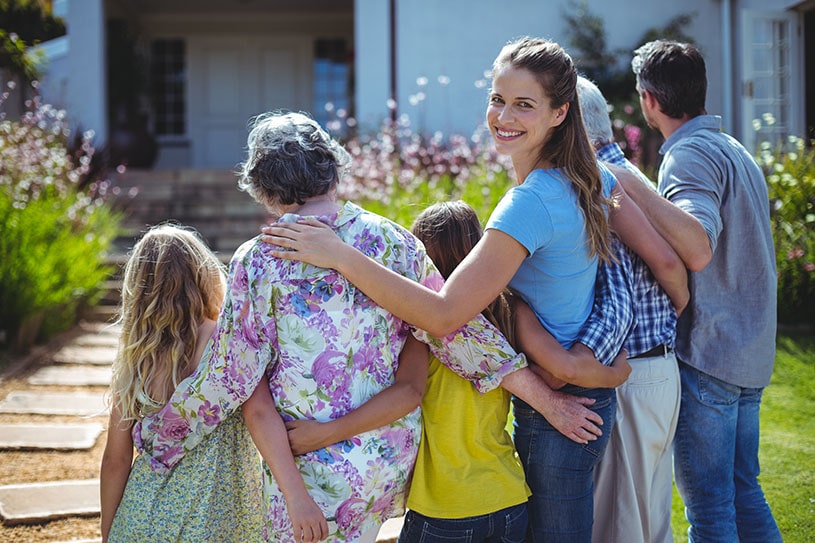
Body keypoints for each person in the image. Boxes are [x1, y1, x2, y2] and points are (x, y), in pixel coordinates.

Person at [262, 38, 687, 543]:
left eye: (524, 104)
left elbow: (444, 315)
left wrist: (340, 255)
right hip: (573, 391)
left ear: (560, 113)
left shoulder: (531, 202)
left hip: (562, 407)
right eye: (497, 99)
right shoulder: (584, 176)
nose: (503, 116)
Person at [131, 112, 610, 543]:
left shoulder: (259, 261)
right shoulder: (392, 240)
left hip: (308, 470)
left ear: (263, 187)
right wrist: (548, 401)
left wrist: (160, 439)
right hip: (384, 463)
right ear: (332, 169)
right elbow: (457, 332)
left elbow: (230, 376)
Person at [282, 200, 632, 543]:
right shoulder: (510, 309)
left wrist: (326, 432)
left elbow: (407, 393)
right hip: (508, 496)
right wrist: (614, 374)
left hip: (444, 506)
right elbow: (555, 373)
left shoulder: (421, 327)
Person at [613, 40, 781, 543]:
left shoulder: (688, 155)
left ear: (649, 100)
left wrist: (626, 180)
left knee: (710, 509)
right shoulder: (734, 149)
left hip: (711, 358)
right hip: (748, 356)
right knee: (742, 492)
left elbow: (699, 245)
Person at [101, 224, 325, 542]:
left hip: (141, 517)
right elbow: (260, 414)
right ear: (203, 274)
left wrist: (110, 532)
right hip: (217, 521)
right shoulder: (227, 343)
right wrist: (296, 497)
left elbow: (116, 459)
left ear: (137, 287)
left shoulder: (136, 357)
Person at [576, 76, 683, 543]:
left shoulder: (603, 176)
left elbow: (664, 259)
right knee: (647, 516)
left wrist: (679, 307)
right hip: (653, 366)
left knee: (622, 524)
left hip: (634, 370)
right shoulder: (627, 170)